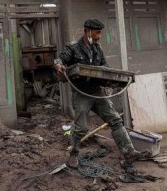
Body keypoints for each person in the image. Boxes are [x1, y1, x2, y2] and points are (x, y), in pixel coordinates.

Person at [54, 18, 149, 168]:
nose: (99, 36)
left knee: (115, 120)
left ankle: (128, 151)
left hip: (98, 93)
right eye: (97, 33)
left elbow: (105, 68)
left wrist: (113, 81)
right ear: (87, 32)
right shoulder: (73, 48)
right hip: (82, 94)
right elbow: (60, 59)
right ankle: (73, 154)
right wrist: (58, 65)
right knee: (81, 128)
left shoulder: (98, 49)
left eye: (100, 33)